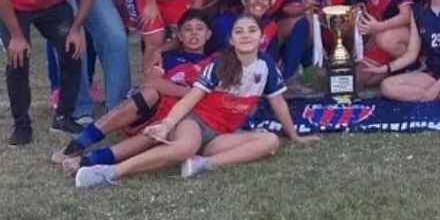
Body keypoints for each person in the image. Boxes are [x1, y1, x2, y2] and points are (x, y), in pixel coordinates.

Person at [75, 14, 320, 189]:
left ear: (260, 38)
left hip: (220, 136)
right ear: (231, 40)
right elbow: (192, 98)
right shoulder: (220, 64)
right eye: (239, 31)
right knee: (184, 147)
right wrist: (168, 125)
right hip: (195, 122)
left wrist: (295, 136)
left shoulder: (266, 66)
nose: (246, 35)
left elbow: (278, 103)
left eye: (252, 30)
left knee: (269, 141)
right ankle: (109, 172)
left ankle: (203, 164)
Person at [51, 9, 216, 173]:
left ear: (209, 34)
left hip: (177, 119)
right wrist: (191, 92)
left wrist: (170, 88)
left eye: (199, 29)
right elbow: (151, 82)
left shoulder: (215, 61)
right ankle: (80, 141)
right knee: (150, 92)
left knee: (158, 129)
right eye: (188, 29)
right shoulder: (169, 58)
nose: (194, 34)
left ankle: (88, 160)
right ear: (179, 36)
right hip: (149, 110)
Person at [0, 0, 108, 144]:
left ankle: (63, 117)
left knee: (72, 50)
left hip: (52, 6)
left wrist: (76, 28)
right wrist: (16, 37)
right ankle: (21, 125)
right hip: (17, 7)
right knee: (18, 59)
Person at [210, 0, 279, 59]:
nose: (259, 1)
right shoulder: (223, 23)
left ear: (269, 5)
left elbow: (271, 59)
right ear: (244, 1)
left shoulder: (270, 27)